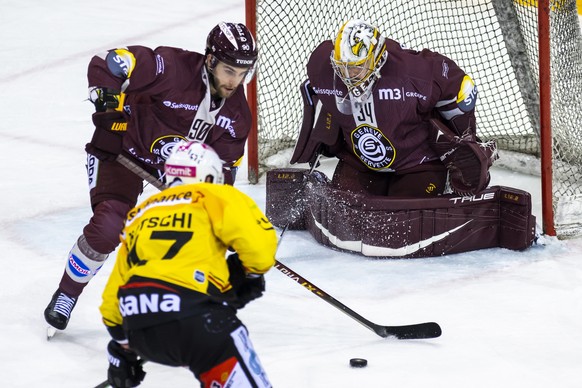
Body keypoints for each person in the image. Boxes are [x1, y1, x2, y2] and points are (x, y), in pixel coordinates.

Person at [44, 22, 259, 331]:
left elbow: (223, 173)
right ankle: (67, 293)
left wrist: (210, 203)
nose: (235, 81)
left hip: (172, 174)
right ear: (211, 60)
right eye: (229, 71)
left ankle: (173, 307)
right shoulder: (172, 68)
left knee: (193, 237)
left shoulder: (238, 116)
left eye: (242, 73)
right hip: (123, 151)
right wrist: (107, 107)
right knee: (108, 227)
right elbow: (110, 62)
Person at [100, 141, 277, 388]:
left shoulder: (141, 213)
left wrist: (122, 347)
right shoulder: (216, 195)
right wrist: (245, 276)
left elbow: (112, 303)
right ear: (209, 175)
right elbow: (260, 252)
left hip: (139, 326)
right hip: (196, 321)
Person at [290, 19, 497, 198]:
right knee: (346, 213)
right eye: (341, 66)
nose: (348, 75)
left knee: (405, 220)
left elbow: (463, 90)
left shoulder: (413, 72)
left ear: (378, 58)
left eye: (356, 67)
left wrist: (465, 141)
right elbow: (315, 92)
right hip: (359, 162)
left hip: (417, 163)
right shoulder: (321, 66)